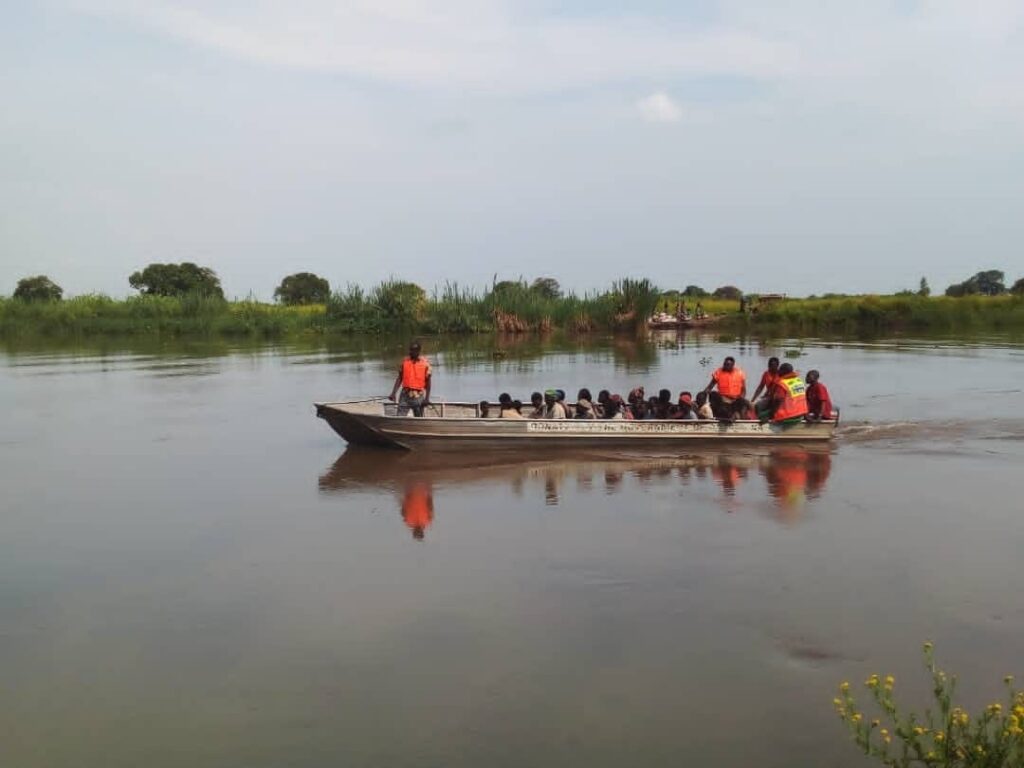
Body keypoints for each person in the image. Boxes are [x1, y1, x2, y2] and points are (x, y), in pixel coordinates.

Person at [389, 340, 432, 417]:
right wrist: (393, 393)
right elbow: (399, 378)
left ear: (418, 351)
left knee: (419, 418)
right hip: (405, 394)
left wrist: (427, 399)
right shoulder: (405, 362)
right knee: (400, 417)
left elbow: (428, 382)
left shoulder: (425, 364)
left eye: (413, 350)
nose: (410, 352)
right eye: (410, 350)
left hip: (418, 395)